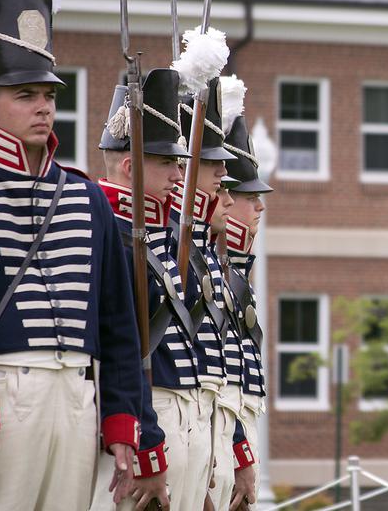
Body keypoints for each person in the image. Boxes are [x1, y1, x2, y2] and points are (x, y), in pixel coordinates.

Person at [0, 0, 143, 510]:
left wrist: (121, 417)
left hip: (77, 396)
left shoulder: (87, 197)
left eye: (48, 94)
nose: (43, 107)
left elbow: (118, 322)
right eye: (25, 95)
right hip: (0, 392)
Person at [92, 69, 204, 510]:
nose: (180, 174)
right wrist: (149, 445)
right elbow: (125, 348)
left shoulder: (157, 238)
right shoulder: (112, 236)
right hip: (140, 419)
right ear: (128, 166)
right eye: (166, 162)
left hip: (179, 417)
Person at [171, 75, 245, 511]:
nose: (224, 178)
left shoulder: (208, 261)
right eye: (212, 164)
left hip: (203, 427)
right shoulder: (168, 248)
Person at [216, 111, 273, 510]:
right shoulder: (216, 269)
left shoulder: (236, 269)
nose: (259, 208)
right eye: (250, 198)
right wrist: (239, 456)